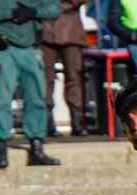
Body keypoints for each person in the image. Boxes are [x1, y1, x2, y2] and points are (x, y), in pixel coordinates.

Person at [0, 0, 62, 169]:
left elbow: (54, 9)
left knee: (36, 99)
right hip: (4, 49)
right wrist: (11, 13)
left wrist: (32, 12)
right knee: (2, 98)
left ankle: (37, 146)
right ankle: (1, 145)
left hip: (30, 49)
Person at [41, 0, 88, 137]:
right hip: (45, 29)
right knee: (46, 78)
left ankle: (77, 120)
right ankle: (47, 121)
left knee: (74, 76)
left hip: (70, 29)